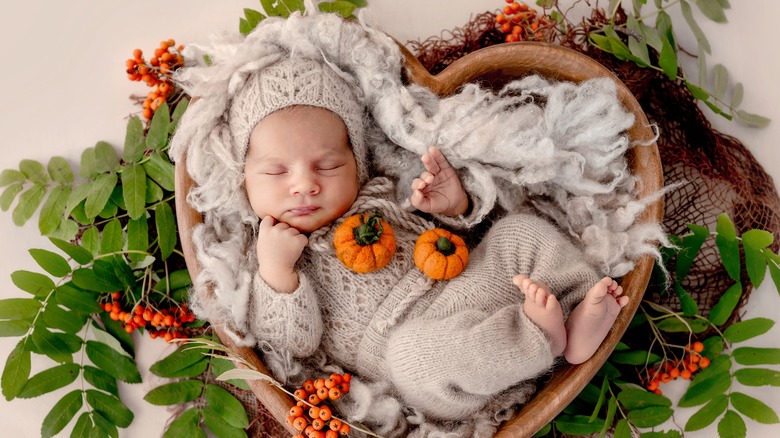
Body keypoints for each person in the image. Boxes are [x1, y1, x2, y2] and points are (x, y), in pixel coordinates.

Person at [231, 55, 629, 421]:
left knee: (517, 232)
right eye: (276, 173)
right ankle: (538, 337)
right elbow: (290, 346)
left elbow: (457, 239)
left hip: (467, 285)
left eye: (328, 165)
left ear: (357, 165)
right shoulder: (271, 259)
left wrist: (454, 208)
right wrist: (278, 272)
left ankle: (577, 312)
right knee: (411, 355)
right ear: (245, 181)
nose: (304, 185)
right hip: (419, 353)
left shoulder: (382, 197)